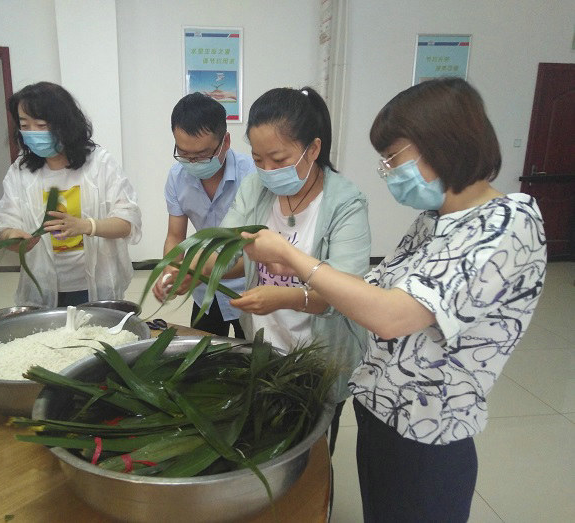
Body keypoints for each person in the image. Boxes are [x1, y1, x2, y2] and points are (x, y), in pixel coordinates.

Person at [240, 78, 547, 522]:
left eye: (392, 157)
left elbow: (392, 315)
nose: (387, 170)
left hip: (429, 432)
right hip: (381, 414)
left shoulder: (506, 224)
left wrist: (293, 257)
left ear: (441, 144)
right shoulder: (434, 220)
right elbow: (369, 289)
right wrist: (297, 280)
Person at [216, 86, 372, 452]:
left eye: (279, 159)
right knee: (265, 438)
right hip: (266, 347)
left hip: (321, 358)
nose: (267, 171)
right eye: (258, 159)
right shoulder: (255, 187)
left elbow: (343, 294)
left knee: (311, 449)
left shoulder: (345, 204)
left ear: (313, 149)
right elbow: (231, 253)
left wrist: (284, 297)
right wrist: (189, 269)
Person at [0, 82, 141, 308]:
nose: (32, 133)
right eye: (25, 125)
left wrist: (86, 226)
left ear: (65, 124)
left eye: (41, 125)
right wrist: (13, 237)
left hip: (96, 281)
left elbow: (127, 222)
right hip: (43, 284)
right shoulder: (20, 172)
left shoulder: (99, 164)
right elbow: (6, 224)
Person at [152, 92, 252, 337]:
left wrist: (199, 272)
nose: (193, 162)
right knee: (204, 351)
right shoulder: (177, 177)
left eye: (203, 154)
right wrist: (171, 270)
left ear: (225, 142)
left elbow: (255, 255)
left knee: (250, 353)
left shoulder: (252, 176)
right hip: (205, 291)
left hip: (248, 288)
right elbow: (175, 236)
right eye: (184, 154)